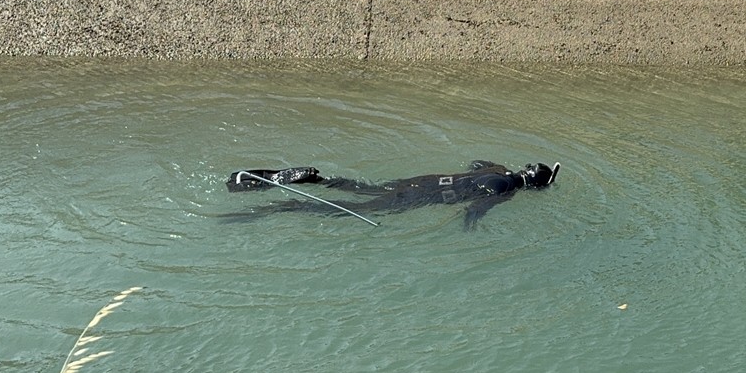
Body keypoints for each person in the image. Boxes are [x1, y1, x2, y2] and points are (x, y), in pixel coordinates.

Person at [225, 160, 560, 229]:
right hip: (420, 199)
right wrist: (470, 222)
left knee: (362, 188)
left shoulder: (499, 170)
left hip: (421, 181)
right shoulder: (506, 189)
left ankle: (317, 179)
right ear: (533, 184)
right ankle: (287, 207)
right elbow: (479, 206)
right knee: (363, 208)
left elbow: (477, 163)